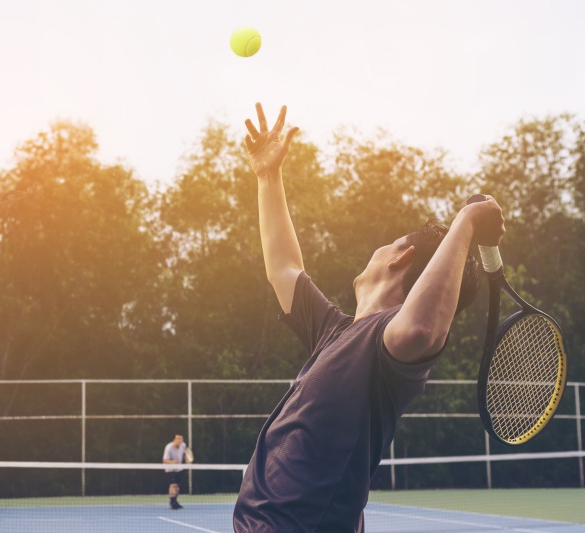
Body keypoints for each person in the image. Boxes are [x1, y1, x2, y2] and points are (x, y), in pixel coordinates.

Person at [232, 103, 505, 532]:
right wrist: (268, 176)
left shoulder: (387, 345)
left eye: (388, 242)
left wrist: (466, 223)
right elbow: (282, 267)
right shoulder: (335, 331)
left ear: (401, 257)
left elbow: (421, 327)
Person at [163, 434, 188, 509]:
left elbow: (184, 453)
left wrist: (187, 461)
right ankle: (172, 502)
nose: (180, 442)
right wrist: (172, 462)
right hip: (170, 469)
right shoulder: (169, 447)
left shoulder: (183, 445)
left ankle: (175, 501)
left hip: (179, 468)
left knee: (177, 486)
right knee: (173, 485)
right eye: (179, 440)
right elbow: (164, 460)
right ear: (175, 440)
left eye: (181, 440)